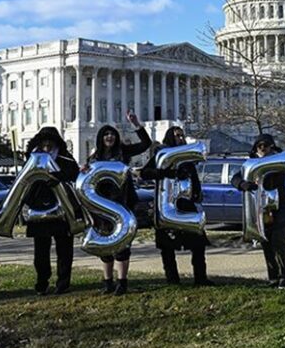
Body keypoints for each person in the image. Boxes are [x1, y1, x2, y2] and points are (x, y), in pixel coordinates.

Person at [84, 111, 151, 295]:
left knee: (122, 246)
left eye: (112, 134)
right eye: (106, 134)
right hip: (102, 206)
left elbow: (146, 145)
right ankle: (108, 282)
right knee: (105, 246)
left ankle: (122, 282)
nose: (110, 136)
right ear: (101, 138)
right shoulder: (95, 158)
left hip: (122, 203)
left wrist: (137, 124)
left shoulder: (123, 151)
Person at [140, 125, 213, 286]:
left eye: (182, 135)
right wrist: (166, 173)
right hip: (167, 207)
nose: (180, 138)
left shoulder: (186, 157)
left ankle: (201, 277)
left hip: (186, 206)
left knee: (198, 244)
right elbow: (145, 173)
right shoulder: (162, 155)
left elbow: (193, 177)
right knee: (167, 248)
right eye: (177, 136)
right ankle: (172, 280)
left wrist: (197, 193)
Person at [23, 126, 80, 296]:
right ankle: (42, 281)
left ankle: (63, 282)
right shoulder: (33, 158)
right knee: (40, 252)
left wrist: (57, 178)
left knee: (64, 249)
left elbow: (73, 174)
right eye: (44, 141)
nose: (47, 145)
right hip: (39, 209)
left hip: (61, 209)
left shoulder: (65, 159)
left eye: (50, 141)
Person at [232, 133, 285, 288]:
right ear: (256, 148)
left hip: (279, 209)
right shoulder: (250, 164)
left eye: (267, 146)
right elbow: (235, 178)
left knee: (279, 243)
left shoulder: (278, 162)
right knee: (266, 244)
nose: (264, 149)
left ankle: (283, 278)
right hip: (261, 211)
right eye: (260, 146)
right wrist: (243, 184)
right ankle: (273, 278)